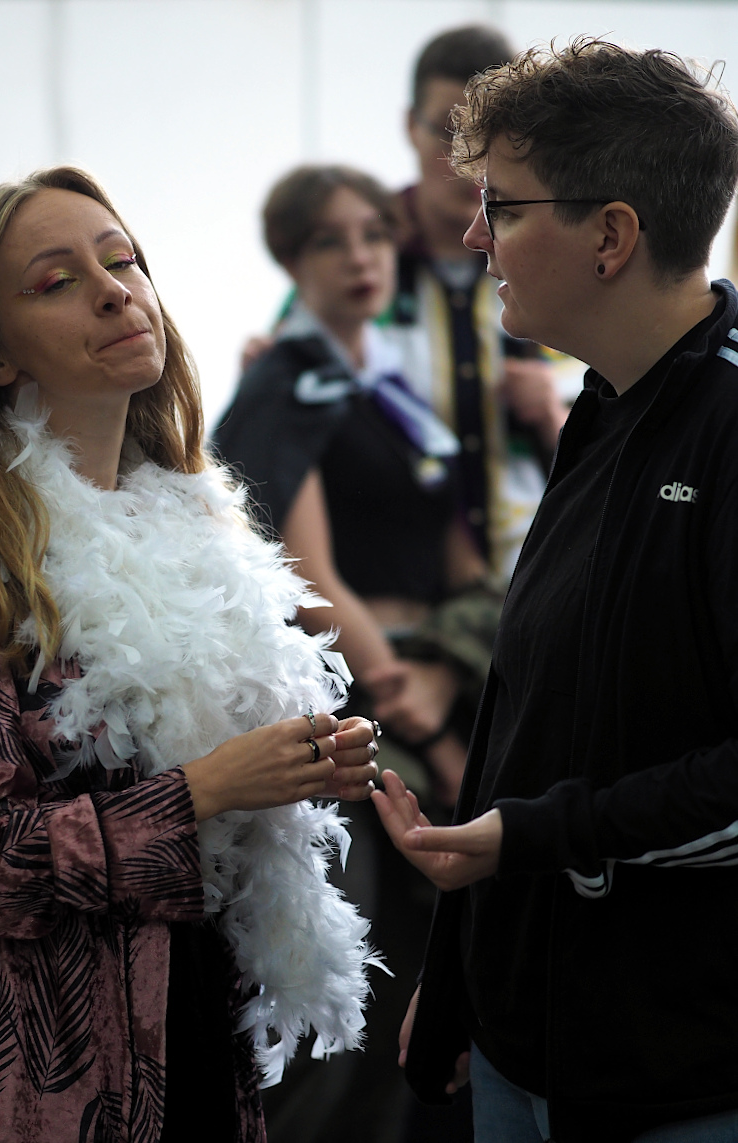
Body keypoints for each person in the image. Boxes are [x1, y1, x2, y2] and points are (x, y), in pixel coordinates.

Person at [0, 165, 382, 1143]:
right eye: (57, 280)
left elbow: (217, 808)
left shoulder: (198, 528)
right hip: (34, 1081)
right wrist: (205, 789)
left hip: (194, 1032)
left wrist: (297, 764)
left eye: (123, 261)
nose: (116, 291)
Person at [373, 36, 738, 1143]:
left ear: (611, 236)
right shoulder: (606, 403)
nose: (474, 232)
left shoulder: (726, 435)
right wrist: (462, 972)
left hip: (674, 1079)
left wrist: (530, 838)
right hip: (523, 1047)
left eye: (504, 205)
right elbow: (524, 719)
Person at [214, 165, 493, 1142]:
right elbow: (302, 574)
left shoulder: (396, 394)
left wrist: (448, 672)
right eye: (331, 240)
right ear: (291, 259)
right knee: (355, 1003)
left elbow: (470, 567)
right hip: (352, 712)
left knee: (433, 1003)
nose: (361, 256)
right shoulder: (285, 383)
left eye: (375, 233)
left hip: (435, 688)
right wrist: (403, 695)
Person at [390, 24, 569, 580]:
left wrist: (554, 414)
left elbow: (619, 442)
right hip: (401, 596)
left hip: (534, 578)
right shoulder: (359, 254)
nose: (467, 157)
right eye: (449, 132)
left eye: (489, 133)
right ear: (409, 127)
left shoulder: (560, 258)